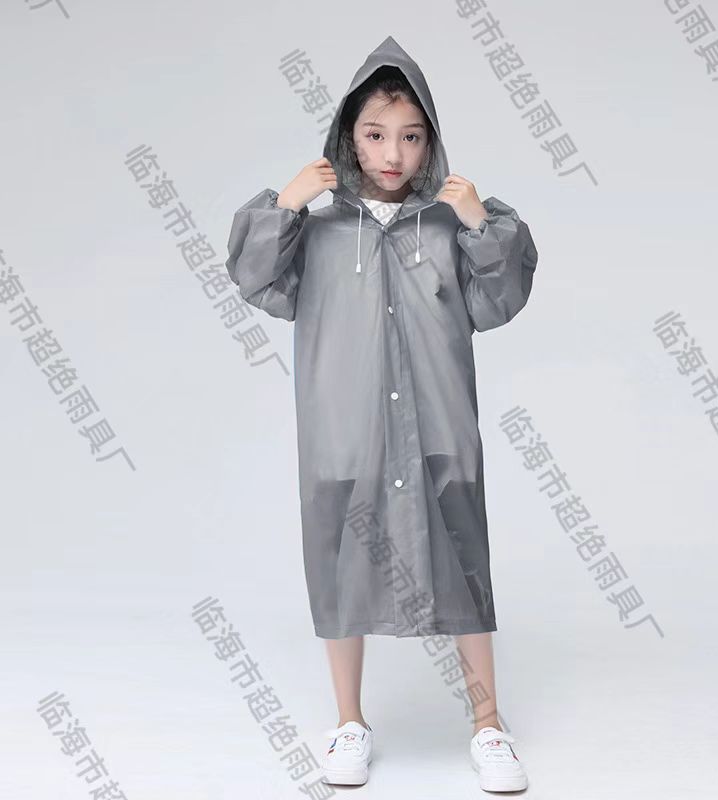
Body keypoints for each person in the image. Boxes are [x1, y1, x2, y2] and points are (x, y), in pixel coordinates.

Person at [225, 35, 538, 793]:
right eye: (374, 134)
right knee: (338, 558)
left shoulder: (448, 227)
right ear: (348, 137)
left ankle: (488, 725)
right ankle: (348, 722)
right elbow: (255, 277)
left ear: (430, 140)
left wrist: (479, 224)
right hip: (345, 428)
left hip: (438, 425)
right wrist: (284, 203)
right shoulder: (319, 233)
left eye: (410, 135)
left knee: (464, 554)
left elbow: (500, 298)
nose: (392, 153)